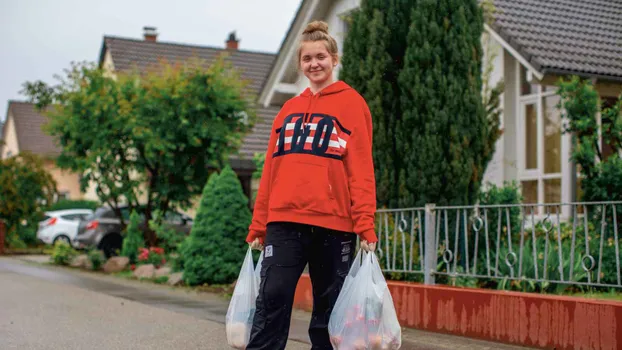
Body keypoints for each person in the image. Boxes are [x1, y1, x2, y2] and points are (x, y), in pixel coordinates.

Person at [245, 20, 377, 350]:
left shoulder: (353, 104)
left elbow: (361, 169)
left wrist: (365, 223)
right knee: (271, 298)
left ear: (334, 59)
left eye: (321, 56)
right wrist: (259, 223)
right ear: (300, 64)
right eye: (307, 59)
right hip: (284, 223)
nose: (314, 63)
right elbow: (272, 171)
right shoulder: (287, 111)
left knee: (329, 315)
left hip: (334, 226)